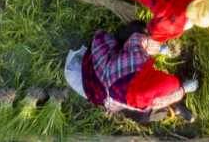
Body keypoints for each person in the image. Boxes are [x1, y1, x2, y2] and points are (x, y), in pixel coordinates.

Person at [62, 25, 193, 118]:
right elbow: (159, 101)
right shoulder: (134, 62)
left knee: (137, 29)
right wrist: (183, 90)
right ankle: (176, 109)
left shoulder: (135, 65)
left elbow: (136, 39)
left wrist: (156, 47)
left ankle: (175, 107)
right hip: (83, 76)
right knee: (143, 117)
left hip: (93, 79)